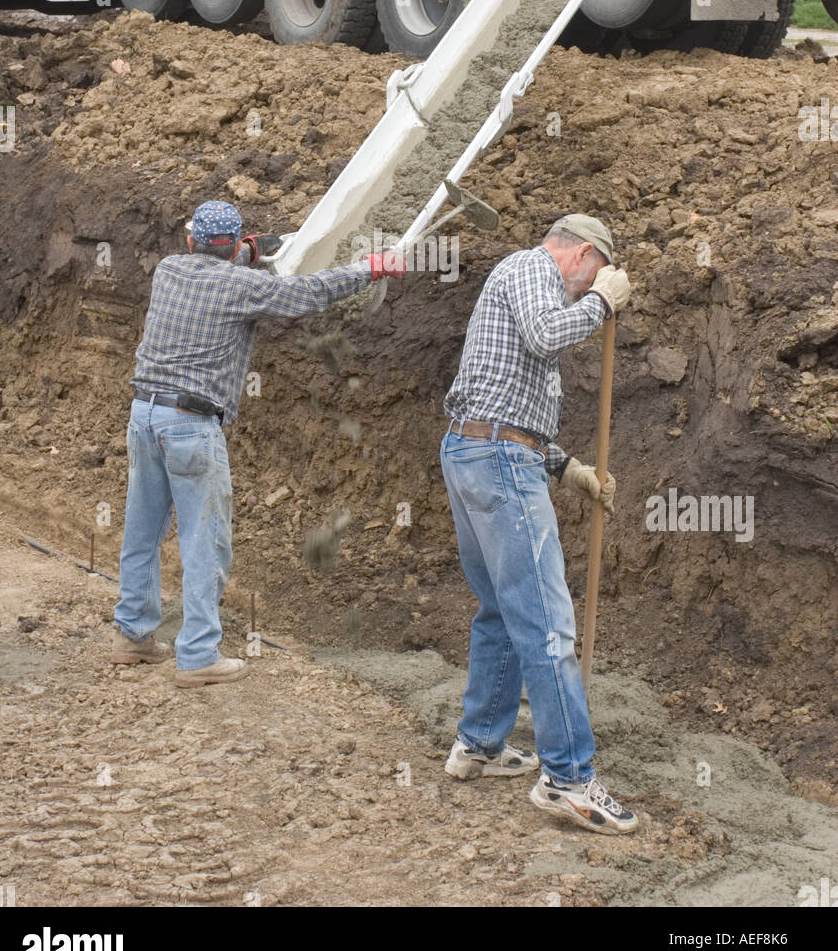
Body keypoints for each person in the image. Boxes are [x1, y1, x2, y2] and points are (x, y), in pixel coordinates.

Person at [112, 200, 405, 688]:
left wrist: (247, 250)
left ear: (190, 241)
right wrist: (370, 267)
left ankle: (132, 635)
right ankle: (198, 655)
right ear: (233, 247)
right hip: (191, 423)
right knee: (204, 540)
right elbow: (305, 293)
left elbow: (214, 267)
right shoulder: (244, 285)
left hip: (144, 414)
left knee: (141, 532)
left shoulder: (169, 270)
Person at [440, 213, 638, 834]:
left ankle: (479, 744)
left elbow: (505, 405)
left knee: (501, 608)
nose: (590, 287)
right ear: (580, 254)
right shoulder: (531, 269)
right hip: (495, 460)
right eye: (594, 275)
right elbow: (548, 335)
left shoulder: (524, 285)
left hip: (480, 452)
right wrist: (603, 305)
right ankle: (569, 780)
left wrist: (568, 467)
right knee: (548, 622)